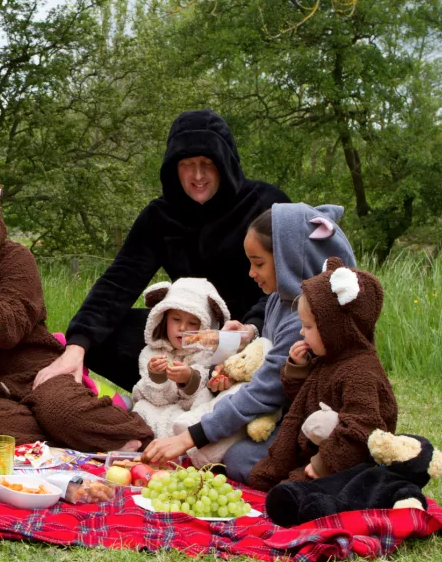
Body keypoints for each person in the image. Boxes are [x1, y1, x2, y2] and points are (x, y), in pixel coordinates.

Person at [34, 110, 290, 393]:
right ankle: (166, 398)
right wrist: (77, 346)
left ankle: (234, 395)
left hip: (254, 334)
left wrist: (251, 326)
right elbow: (119, 282)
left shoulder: (266, 204)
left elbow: (292, 280)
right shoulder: (160, 216)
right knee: (102, 336)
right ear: (172, 167)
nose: (198, 175)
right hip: (192, 339)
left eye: (207, 163)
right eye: (187, 164)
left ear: (225, 162)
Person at [0, 165, 154, 452]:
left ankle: (140, 438)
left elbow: (13, 327)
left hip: (35, 371)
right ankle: (79, 441)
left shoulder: (15, 257)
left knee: (61, 411)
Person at [141, 203, 357, 483]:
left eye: (259, 263)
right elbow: (267, 351)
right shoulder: (280, 300)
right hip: (281, 412)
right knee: (236, 452)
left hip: (312, 418)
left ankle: (326, 466)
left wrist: (189, 437)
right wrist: (248, 336)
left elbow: (265, 391)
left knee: (241, 461)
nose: (251, 273)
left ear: (288, 259)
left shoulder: (304, 318)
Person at [249, 259, 397, 490]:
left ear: (337, 328)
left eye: (308, 327)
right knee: (259, 476)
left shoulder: (360, 372)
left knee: (290, 493)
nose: (301, 332)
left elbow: (362, 430)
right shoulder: (327, 361)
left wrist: (322, 464)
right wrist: (298, 369)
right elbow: (305, 403)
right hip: (314, 451)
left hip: (345, 464)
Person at [130, 278, 230, 439]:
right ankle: (154, 440)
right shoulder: (152, 352)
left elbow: (203, 396)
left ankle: (177, 441)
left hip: (191, 416)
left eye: (192, 323)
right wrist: (157, 376)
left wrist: (189, 379)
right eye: (176, 319)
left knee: (209, 409)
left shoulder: (208, 354)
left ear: (206, 325)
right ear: (163, 318)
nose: (182, 328)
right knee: (142, 408)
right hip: (161, 412)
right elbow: (158, 400)